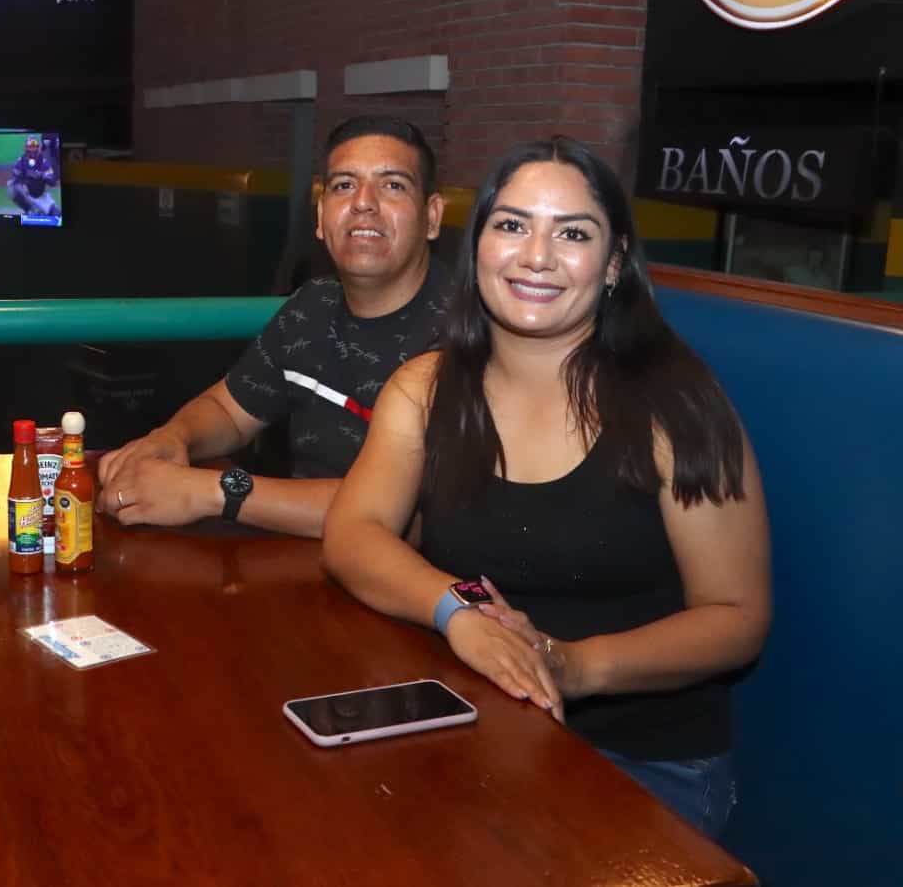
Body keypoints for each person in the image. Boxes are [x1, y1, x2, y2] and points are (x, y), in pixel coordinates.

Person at [321, 136, 771, 839]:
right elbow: (352, 534)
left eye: (572, 233)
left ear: (615, 262)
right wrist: (459, 613)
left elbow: (736, 616)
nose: (536, 256)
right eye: (511, 225)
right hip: (473, 723)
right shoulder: (425, 388)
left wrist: (570, 665)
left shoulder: (676, 408)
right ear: (476, 250)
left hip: (642, 763)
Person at [98, 115, 448, 538]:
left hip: (415, 590)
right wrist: (174, 436)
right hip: (303, 567)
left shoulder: (466, 336)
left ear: (432, 217)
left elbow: (402, 515)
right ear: (320, 218)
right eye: (343, 185)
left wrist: (217, 491)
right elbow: (230, 410)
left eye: (393, 185)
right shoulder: (311, 307)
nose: (363, 202)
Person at [5, 136, 61, 217]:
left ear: (38, 148)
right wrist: (24, 190)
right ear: (26, 148)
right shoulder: (21, 161)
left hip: (41, 195)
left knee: (57, 215)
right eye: (30, 147)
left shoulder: (43, 161)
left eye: (34, 147)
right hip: (27, 195)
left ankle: (39, 210)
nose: (32, 150)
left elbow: (52, 181)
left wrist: (42, 175)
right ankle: (29, 210)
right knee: (11, 187)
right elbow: (15, 182)